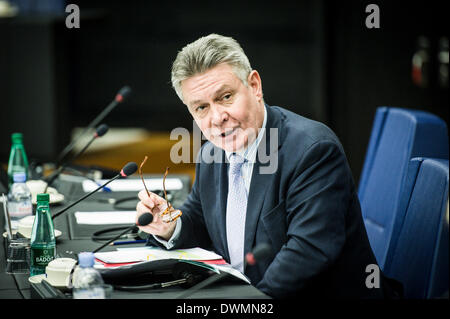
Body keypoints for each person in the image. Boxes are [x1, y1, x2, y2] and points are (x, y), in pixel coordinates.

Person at [136, 33, 396, 298]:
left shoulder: (312, 151)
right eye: (201, 108)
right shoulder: (211, 154)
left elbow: (309, 251)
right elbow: (200, 221)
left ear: (255, 86)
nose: (217, 118)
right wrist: (170, 227)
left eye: (225, 97)